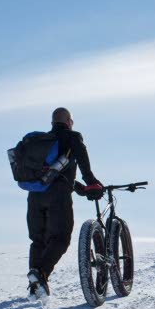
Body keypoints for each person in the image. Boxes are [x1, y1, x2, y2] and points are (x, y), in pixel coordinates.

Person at [27, 108, 102, 298]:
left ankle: (36, 286)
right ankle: (41, 274)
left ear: (52, 122)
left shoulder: (44, 142)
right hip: (57, 197)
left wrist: (80, 189)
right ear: (69, 121)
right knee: (60, 238)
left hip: (35, 195)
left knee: (38, 240)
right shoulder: (72, 137)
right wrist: (92, 183)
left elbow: (56, 174)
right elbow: (83, 163)